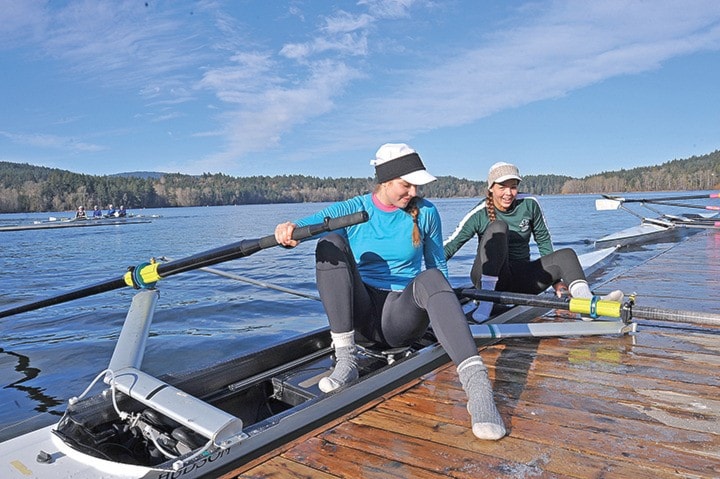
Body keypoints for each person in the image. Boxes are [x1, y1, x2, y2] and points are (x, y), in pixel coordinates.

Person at [275, 143, 506, 441]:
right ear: (385, 181)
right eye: (405, 185)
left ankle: (479, 391)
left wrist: (447, 317)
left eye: (416, 186)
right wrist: (288, 229)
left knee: (432, 277)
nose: (412, 192)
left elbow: (438, 265)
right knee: (329, 241)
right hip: (360, 315)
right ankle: (346, 360)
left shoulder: (426, 213)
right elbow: (309, 226)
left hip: (401, 317)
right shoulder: (355, 208)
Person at [444, 162, 623, 321]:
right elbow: (451, 246)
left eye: (513, 187)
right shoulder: (479, 213)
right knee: (499, 228)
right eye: (502, 187)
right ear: (491, 188)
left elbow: (543, 240)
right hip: (486, 278)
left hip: (520, 280)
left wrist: (556, 280)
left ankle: (585, 303)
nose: (508, 193)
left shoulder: (529, 204)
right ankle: (486, 301)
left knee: (567, 254)